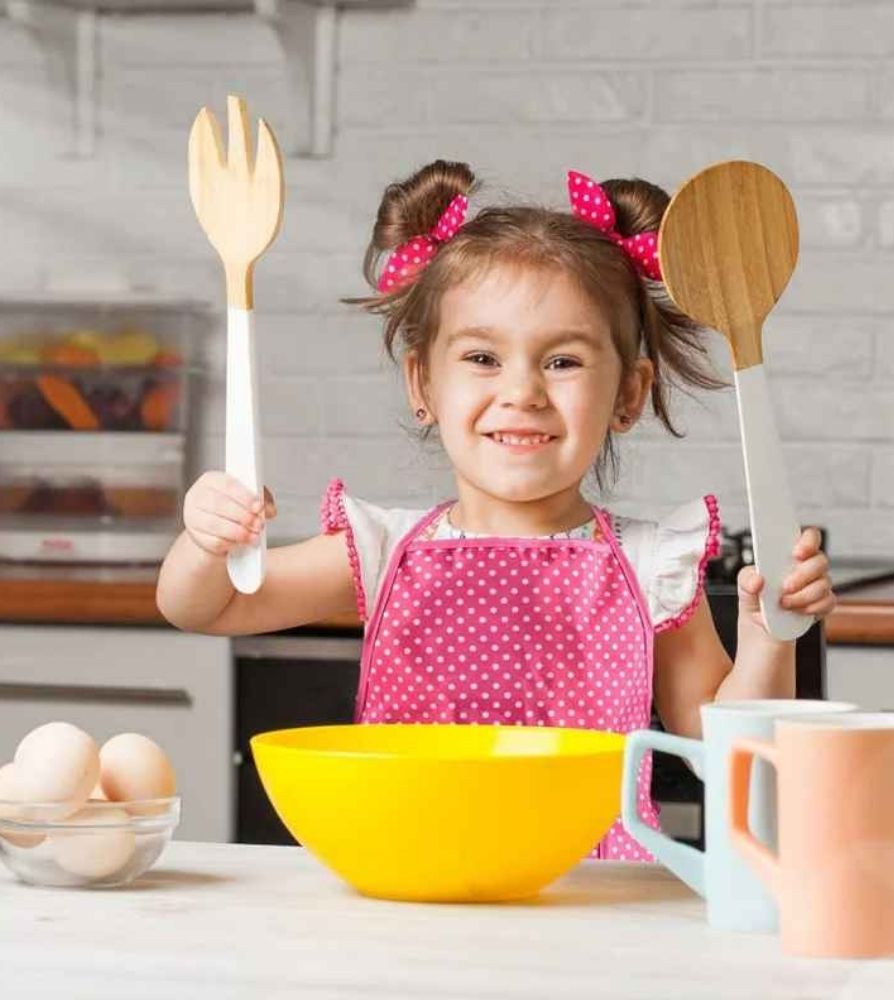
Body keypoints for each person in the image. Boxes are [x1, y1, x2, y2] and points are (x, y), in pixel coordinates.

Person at [157, 161, 836, 859]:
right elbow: (208, 607)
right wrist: (207, 544)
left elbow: (733, 750)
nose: (523, 392)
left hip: (585, 900)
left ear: (629, 395)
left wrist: (768, 639)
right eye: (483, 357)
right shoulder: (386, 550)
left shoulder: (649, 568)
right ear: (423, 382)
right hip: (412, 877)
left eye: (563, 362)